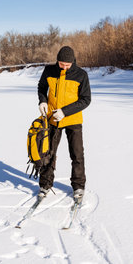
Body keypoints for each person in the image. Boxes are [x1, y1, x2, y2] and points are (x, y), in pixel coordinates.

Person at [37, 46, 91, 200]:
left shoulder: (81, 75)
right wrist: (42, 101)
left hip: (73, 120)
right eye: (61, 64)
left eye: (67, 65)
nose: (64, 67)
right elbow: (42, 88)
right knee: (48, 153)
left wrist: (65, 111)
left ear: (72, 62)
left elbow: (86, 99)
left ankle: (78, 187)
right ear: (57, 61)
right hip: (53, 119)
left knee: (77, 154)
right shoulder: (49, 71)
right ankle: (45, 185)